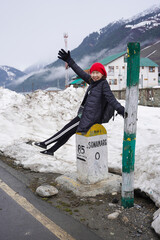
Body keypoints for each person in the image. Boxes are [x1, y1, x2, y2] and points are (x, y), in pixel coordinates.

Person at [34, 49, 125, 156]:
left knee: (65, 130)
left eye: (97, 73)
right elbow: (80, 72)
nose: (95, 75)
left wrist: (120, 109)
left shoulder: (103, 85)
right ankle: (51, 150)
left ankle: (45, 143)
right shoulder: (92, 82)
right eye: (93, 73)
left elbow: (111, 99)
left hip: (88, 118)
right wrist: (70, 61)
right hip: (85, 115)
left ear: (102, 74)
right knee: (67, 133)